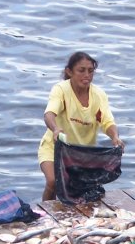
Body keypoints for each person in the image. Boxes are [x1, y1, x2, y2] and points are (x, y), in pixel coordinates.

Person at [38, 51, 124, 201]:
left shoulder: (99, 95)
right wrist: (56, 129)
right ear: (69, 72)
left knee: (80, 194)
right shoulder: (61, 90)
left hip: (82, 155)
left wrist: (115, 137)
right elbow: (49, 114)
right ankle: (46, 214)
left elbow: (107, 122)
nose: (87, 75)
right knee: (53, 181)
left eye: (90, 71)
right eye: (81, 70)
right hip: (54, 148)